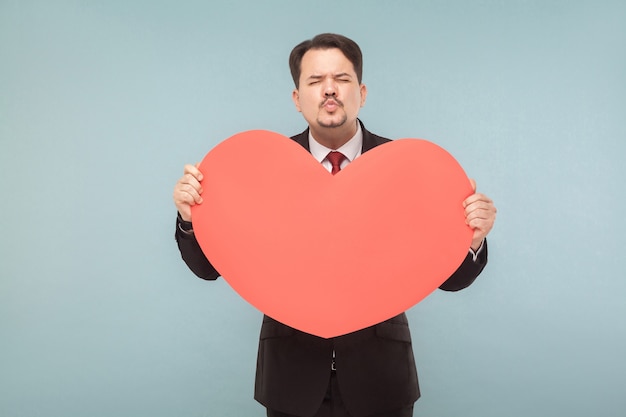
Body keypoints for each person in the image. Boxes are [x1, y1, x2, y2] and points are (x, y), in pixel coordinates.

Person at [173, 33, 497, 417]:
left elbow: (450, 278)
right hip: (290, 378)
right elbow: (209, 268)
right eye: (315, 81)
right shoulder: (263, 170)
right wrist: (190, 218)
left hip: (381, 379)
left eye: (341, 80)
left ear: (361, 91)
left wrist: (472, 239)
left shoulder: (406, 169)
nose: (330, 90)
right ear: (297, 98)